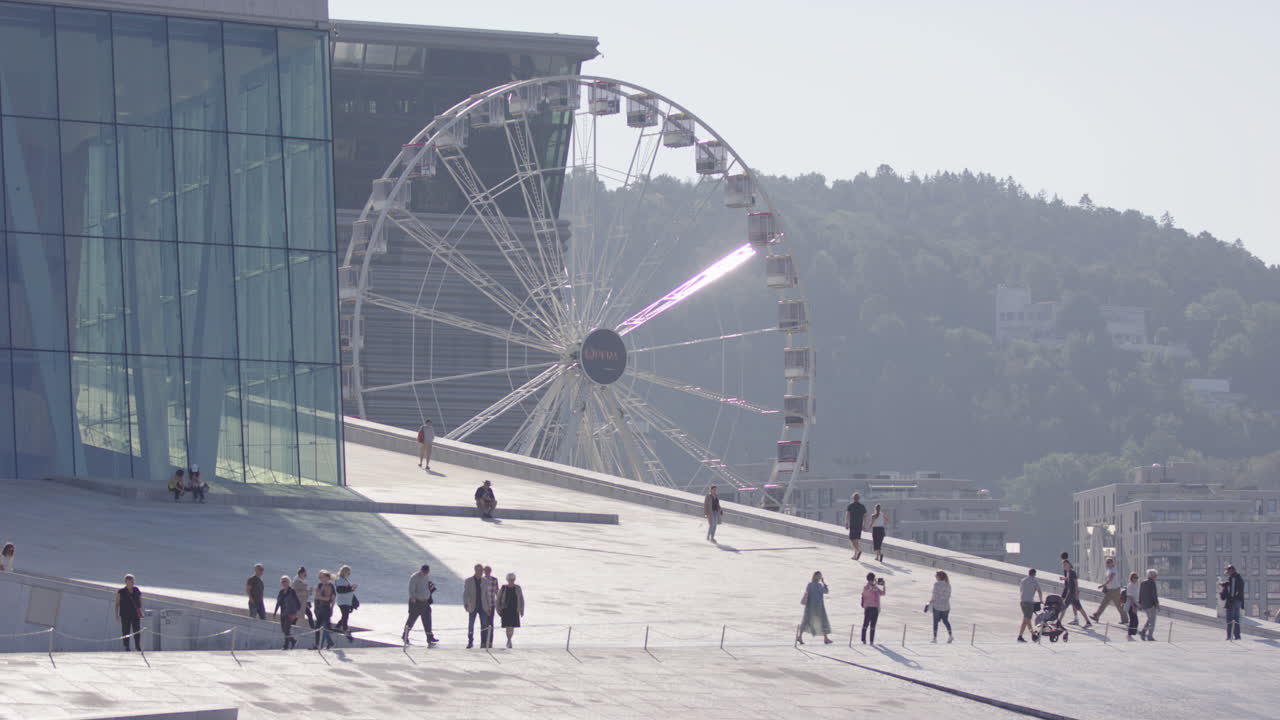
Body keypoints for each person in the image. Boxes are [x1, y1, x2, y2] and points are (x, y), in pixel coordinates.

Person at [403, 564, 438, 647]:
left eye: (427, 572)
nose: (425, 574)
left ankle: (429, 637)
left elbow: (427, 586)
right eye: (424, 572)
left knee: (427, 620)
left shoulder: (427, 577)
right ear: (421, 570)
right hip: (416, 602)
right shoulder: (414, 577)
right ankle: (405, 635)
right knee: (411, 620)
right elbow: (411, 589)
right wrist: (412, 597)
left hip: (425, 602)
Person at [796, 571, 833, 645]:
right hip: (818, 606)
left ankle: (800, 636)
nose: (820, 577)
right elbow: (826, 591)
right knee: (822, 621)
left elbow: (807, 593)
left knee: (806, 621)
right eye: (820, 576)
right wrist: (824, 583)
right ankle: (826, 638)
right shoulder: (819, 585)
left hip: (809, 606)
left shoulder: (809, 585)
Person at [464, 563, 495, 648]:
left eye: (481, 571)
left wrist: (489, 607)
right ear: (475, 570)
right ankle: (470, 641)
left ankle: (484, 642)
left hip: (483, 606)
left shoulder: (485, 581)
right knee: (471, 624)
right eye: (479, 570)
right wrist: (466, 603)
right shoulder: (469, 581)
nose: (481, 572)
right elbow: (466, 593)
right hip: (472, 605)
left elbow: (487, 595)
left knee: (484, 624)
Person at [1089, 557, 1124, 624]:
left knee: (1118, 605)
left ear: (1112, 563)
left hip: (1115, 590)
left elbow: (1110, 579)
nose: (1107, 564)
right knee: (1104, 603)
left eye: (1109, 562)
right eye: (1107, 562)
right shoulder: (1108, 570)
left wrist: (1103, 585)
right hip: (1110, 590)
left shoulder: (1114, 570)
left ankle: (1125, 619)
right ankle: (1096, 616)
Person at [1059, 554, 1091, 628]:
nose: (1064, 566)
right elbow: (1068, 578)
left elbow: (1076, 582)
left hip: (1072, 593)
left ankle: (1059, 622)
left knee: (1064, 606)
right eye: (1064, 565)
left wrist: (1077, 593)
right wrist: (1063, 579)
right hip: (1071, 592)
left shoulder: (1072, 572)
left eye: (1066, 565)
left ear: (1069, 565)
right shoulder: (1069, 572)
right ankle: (1088, 622)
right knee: (1079, 608)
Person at [114, 574, 144, 651]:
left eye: (132, 581)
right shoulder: (121, 592)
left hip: (135, 614)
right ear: (126, 582)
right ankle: (126, 646)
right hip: (125, 615)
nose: (132, 582)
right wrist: (116, 615)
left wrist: (141, 611)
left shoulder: (137, 590)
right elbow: (117, 604)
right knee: (125, 631)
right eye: (130, 581)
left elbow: (140, 601)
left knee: (137, 631)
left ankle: (138, 646)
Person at [273, 576, 301, 650]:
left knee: (286, 629)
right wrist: (275, 612)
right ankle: (293, 640)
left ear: (289, 582)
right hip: (283, 613)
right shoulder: (281, 592)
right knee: (284, 629)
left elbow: (298, 602)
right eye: (282, 581)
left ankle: (286, 645)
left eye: (285, 581)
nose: (283, 583)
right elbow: (278, 602)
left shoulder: (292, 591)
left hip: (290, 613)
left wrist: (296, 612)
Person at [497, 572, 525, 649]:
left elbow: (521, 599)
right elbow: (498, 599)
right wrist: (498, 609)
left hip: (514, 609)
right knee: (507, 626)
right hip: (505, 609)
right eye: (509, 579)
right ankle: (508, 639)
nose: (511, 581)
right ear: (507, 580)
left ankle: (509, 640)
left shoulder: (518, 588)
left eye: (512, 579)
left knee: (512, 626)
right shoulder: (503, 588)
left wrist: (522, 609)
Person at [1017, 568, 1043, 643]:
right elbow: (1039, 591)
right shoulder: (1034, 581)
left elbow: (1022, 590)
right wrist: (1041, 600)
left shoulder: (1023, 580)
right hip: (1029, 602)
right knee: (1027, 619)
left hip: (1022, 602)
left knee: (1026, 619)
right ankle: (1030, 635)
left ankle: (1024, 635)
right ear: (1034, 574)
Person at [313, 569, 336, 650]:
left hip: (326, 609)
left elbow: (330, 599)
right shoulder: (319, 585)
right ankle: (319, 644)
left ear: (327, 578)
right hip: (319, 608)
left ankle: (324, 644)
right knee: (317, 627)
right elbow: (316, 597)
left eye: (322, 577)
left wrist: (332, 609)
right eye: (320, 577)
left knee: (325, 627)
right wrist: (315, 607)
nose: (320, 579)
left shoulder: (330, 586)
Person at [334, 565, 358, 641]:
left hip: (346, 601)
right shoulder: (339, 580)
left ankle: (338, 626)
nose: (349, 575)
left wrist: (351, 589)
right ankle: (345, 629)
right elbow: (340, 590)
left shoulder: (344, 580)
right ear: (344, 573)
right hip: (343, 601)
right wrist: (351, 588)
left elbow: (346, 590)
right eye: (348, 573)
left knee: (345, 614)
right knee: (345, 615)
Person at [860, 572, 885, 645]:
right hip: (868, 607)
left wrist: (883, 586)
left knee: (873, 625)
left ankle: (871, 640)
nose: (874, 580)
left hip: (875, 608)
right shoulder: (866, 587)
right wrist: (874, 586)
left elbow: (883, 593)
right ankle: (863, 640)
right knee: (865, 624)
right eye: (873, 579)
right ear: (870, 579)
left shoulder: (875, 587)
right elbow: (867, 592)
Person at [929, 570, 953, 643]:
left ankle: (935, 638)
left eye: (936, 575)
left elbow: (935, 595)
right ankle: (950, 635)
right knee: (945, 621)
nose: (935, 577)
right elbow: (948, 596)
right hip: (946, 606)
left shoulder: (937, 584)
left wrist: (931, 601)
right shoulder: (948, 585)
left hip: (937, 606)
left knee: (935, 622)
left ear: (939, 577)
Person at [1222, 564, 1245, 640]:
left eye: (1228, 571)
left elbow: (1233, 591)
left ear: (1232, 570)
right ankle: (1237, 636)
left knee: (1230, 619)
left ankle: (1229, 636)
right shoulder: (1239, 578)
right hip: (1238, 601)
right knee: (1236, 619)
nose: (1227, 573)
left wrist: (1231, 598)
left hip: (1233, 601)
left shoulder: (1233, 578)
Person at [1138, 569, 1160, 641]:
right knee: (1152, 622)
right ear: (1153, 576)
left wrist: (1140, 603)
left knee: (1149, 619)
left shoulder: (1143, 583)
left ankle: (1143, 631)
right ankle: (1150, 636)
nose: (1156, 577)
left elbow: (1140, 594)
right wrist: (1157, 604)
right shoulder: (1152, 583)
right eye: (1156, 576)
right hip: (1151, 605)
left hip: (1145, 605)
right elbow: (1154, 595)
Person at [846, 493, 868, 560]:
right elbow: (865, 516)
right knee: (856, 539)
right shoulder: (862, 506)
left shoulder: (850, 506)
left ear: (853, 498)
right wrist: (864, 525)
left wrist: (846, 523)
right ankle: (855, 555)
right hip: (859, 525)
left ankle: (858, 551)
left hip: (853, 525)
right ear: (858, 498)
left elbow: (847, 515)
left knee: (852, 539)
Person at [1124, 571, 1141, 640]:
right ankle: (1129, 634)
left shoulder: (1135, 585)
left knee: (1134, 620)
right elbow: (1129, 596)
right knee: (1134, 620)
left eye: (1137, 578)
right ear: (1131, 578)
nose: (1136, 579)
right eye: (1135, 577)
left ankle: (1131, 633)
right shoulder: (1130, 585)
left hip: (1134, 604)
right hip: (1131, 604)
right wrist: (1133, 606)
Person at [483, 565, 499, 636]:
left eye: (488, 571)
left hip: (492, 604)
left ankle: (490, 641)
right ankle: (483, 641)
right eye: (486, 571)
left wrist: (499, 603)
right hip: (483, 605)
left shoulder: (494, 580)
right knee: (484, 623)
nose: (487, 572)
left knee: (490, 623)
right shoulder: (481, 580)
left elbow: (497, 591)